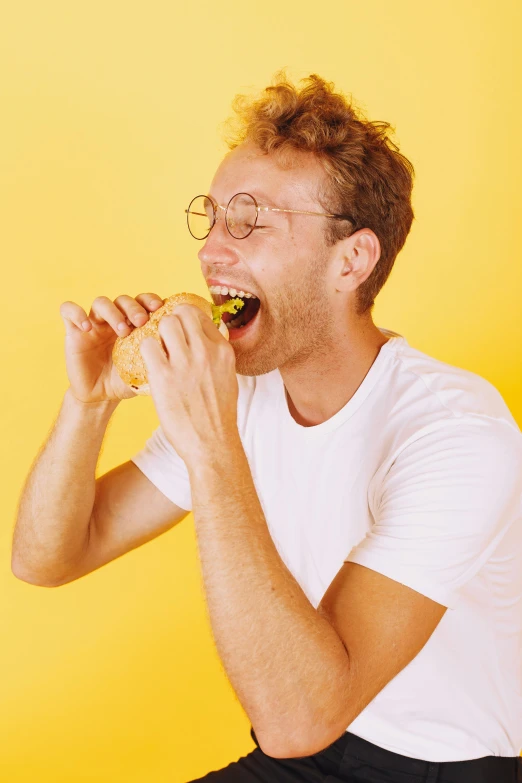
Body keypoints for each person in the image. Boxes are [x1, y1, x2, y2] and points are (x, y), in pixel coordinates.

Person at [12, 73, 522, 783]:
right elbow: (47, 556)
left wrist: (212, 443)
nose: (211, 252)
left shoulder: (459, 433)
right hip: (307, 748)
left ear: (352, 260)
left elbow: (300, 718)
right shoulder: (244, 393)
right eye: (214, 217)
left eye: (251, 221)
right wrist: (89, 403)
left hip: (440, 765)